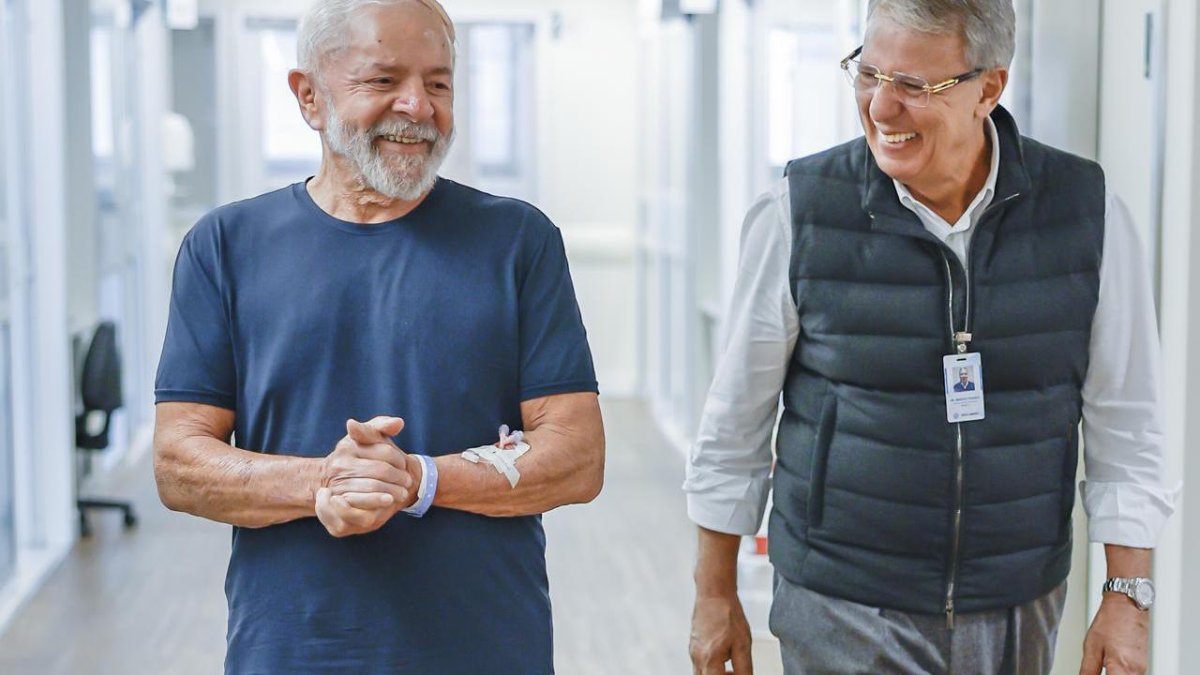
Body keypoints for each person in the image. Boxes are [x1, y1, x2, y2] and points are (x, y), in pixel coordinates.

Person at [684, 1, 1176, 673]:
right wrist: (714, 591)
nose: (881, 109)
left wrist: (1127, 596)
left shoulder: (1087, 214)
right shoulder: (799, 212)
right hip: (842, 597)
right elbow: (734, 422)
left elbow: (1130, 426)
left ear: (990, 88)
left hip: (1016, 601)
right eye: (868, 73)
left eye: (913, 86)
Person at [152, 1, 604, 673]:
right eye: (383, 79)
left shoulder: (519, 242)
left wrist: (419, 479)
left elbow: (577, 454)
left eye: (439, 83)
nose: (418, 106)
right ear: (309, 96)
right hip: (291, 650)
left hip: (485, 648)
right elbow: (179, 462)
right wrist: (326, 484)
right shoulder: (225, 247)